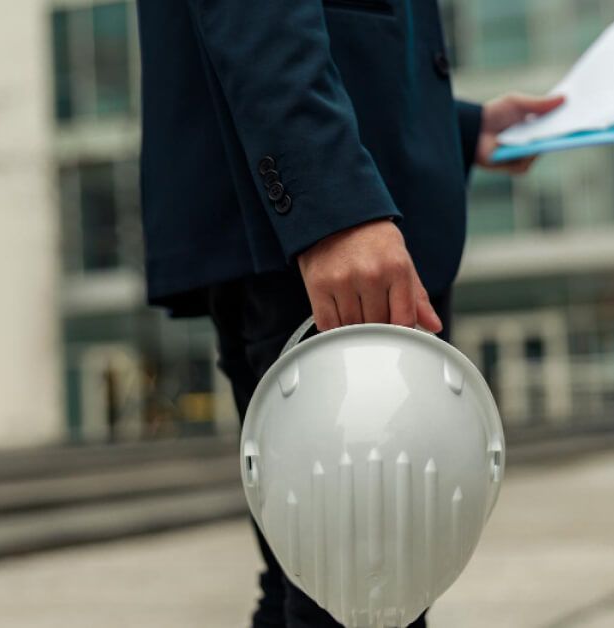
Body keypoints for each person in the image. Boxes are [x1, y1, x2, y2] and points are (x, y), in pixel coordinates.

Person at [135, 2, 562, 626]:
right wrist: (330, 207)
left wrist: (456, 128)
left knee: (322, 590)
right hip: (323, 224)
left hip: (334, 197)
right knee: (363, 600)